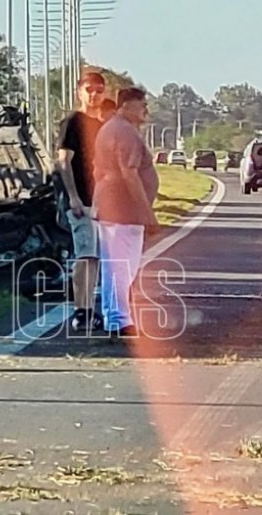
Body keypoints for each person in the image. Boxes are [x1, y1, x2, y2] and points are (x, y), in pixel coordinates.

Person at [92, 87, 159, 337]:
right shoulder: (124, 132)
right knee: (122, 268)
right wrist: (146, 214)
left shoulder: (112, 128)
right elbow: (130, 173)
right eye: (142, 104)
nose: (145, 110)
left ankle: (116, 317)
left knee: (116, 267)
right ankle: (119, 320)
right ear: (127, 105)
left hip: (114, 208)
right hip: (122, 210)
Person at [55, 72, 108, 332]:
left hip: (99, 201)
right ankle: (80, 311)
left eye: (99, 90)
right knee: (84, 254)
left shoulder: (99, 125)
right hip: (81, 201)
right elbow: (64, 161)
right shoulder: (73, 122)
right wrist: (73, 196)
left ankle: (90, 307)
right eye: (89, 89)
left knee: (94, 258)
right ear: (79, 91)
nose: (94, 94)